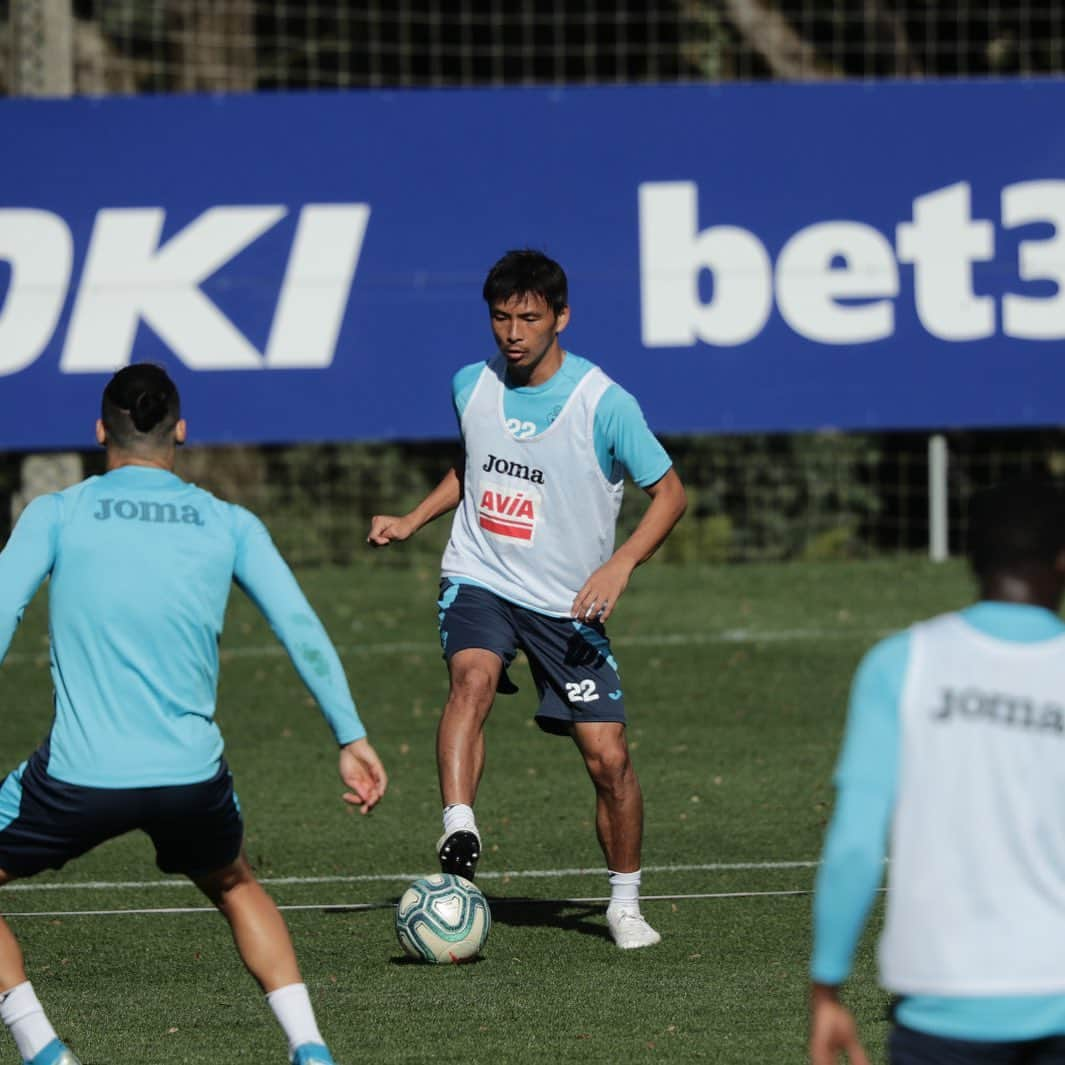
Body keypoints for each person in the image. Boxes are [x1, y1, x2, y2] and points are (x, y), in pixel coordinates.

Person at [0, 364, 388, 1065]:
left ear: (99, 433)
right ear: (179, 430)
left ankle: (44, 1050)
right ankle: (310, 1047)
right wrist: (350, 734)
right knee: (234, 881)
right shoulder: (228, 521)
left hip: (78, 777)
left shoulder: (56, 512)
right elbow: (298, 624)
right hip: (190, 777)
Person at [367, 248, 686, 950]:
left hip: (567, 602)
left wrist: (621, 564)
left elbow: (669, 492)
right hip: (480, 573)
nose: (512, 332)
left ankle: (624, 902)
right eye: (501, 317)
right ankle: (459, 826)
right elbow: (471, 464)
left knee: (608, 759)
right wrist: (413, 520)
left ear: (560, 318)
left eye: (529, 318)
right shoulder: (468, 384)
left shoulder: (603, 402)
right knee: (471, 677)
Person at [809, 479, 1065, 1065]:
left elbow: (854, 843)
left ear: (972, 559)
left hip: (942, 1005)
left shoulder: (903, 663)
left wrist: (827, 984)